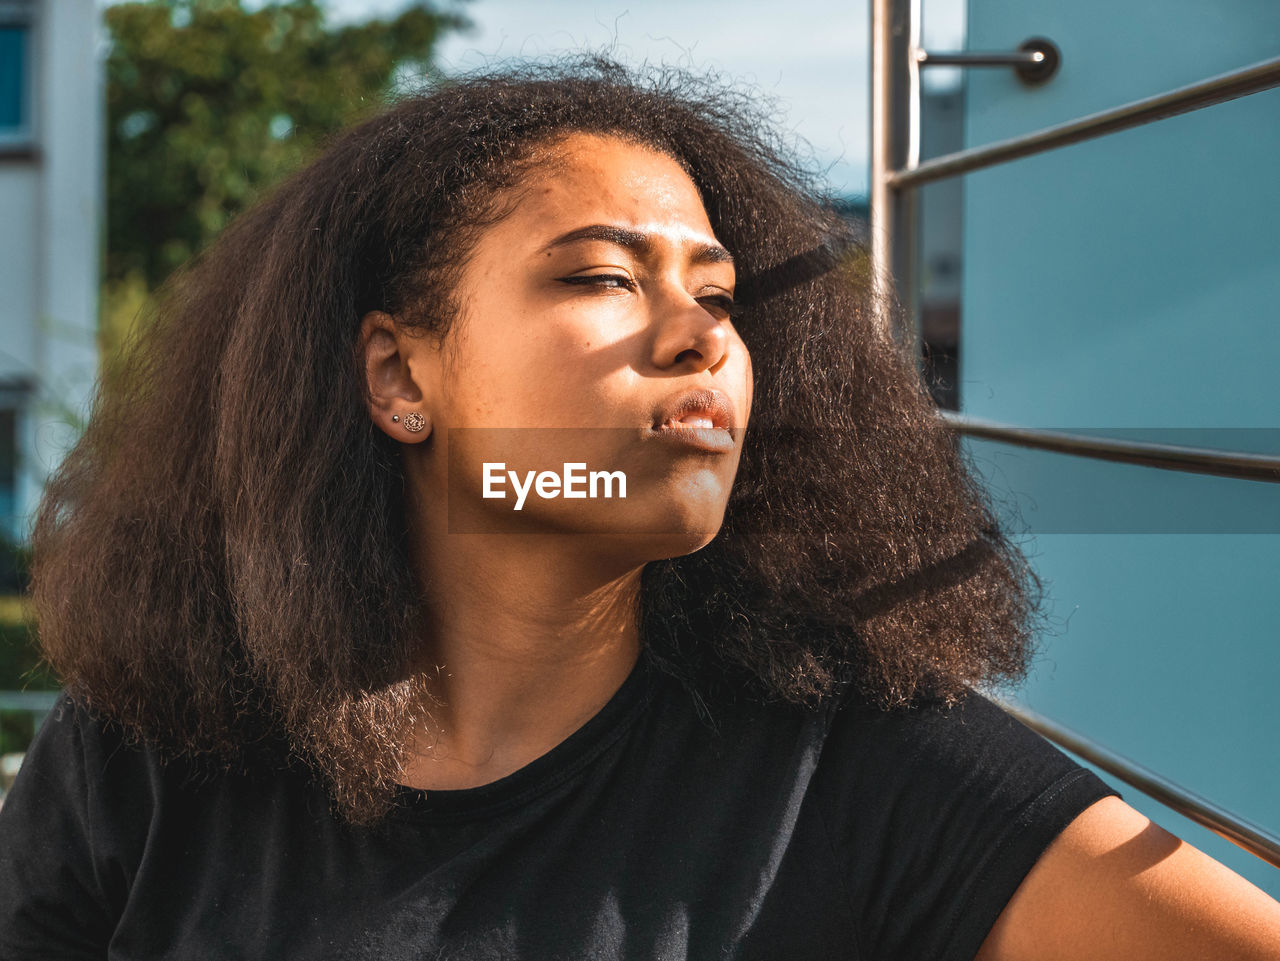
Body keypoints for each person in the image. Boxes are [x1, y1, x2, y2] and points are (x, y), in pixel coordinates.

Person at [1, 58, 1278, 960]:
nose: (698, 340)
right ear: (400, 375)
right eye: (606, 275)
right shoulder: (148, 756)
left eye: (721, 298)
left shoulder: (855, 763)